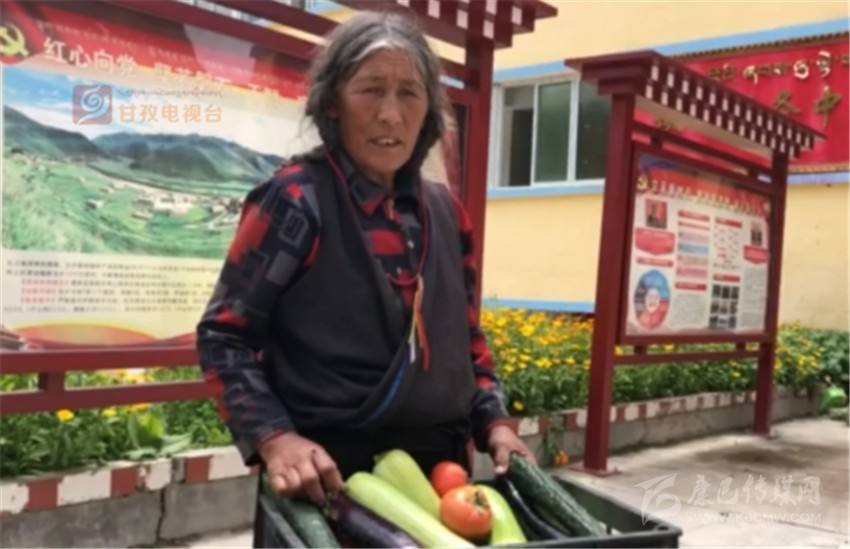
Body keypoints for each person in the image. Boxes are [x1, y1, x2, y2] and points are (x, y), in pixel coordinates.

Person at [195, 11, 535, 506]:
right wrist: (276, 439)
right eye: (371, 90)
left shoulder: (446, 211)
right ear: (333, 102)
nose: (391, 114)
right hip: (327, 477)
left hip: (444, 479)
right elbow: (225, 336)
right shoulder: (296, 201)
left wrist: (495, 423)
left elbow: (464, 338)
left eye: (409, 93)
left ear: (428, 110)